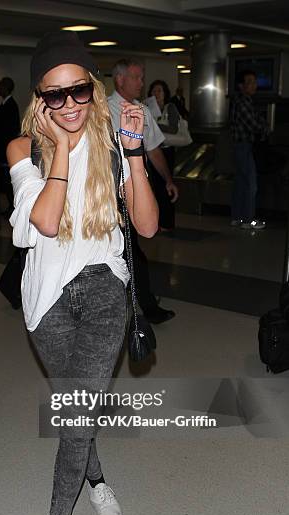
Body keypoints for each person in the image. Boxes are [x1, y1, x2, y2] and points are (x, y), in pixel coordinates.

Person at [7, 31, 158, 515]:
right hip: (46, 301)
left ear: (94, 90)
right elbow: (44, 221)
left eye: (78, 91)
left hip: (102, 293)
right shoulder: (23, 148)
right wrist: (64, 150)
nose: (69, 105)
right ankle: (95, 476)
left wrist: (136, 155)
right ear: (39, 99)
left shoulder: (117, 144)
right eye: (55, 95)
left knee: (75, 414)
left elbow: (145, 226)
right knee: (82, 401)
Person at [108, 58, 177, 324]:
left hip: (136, 189)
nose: (141, 82)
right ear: (120, 79)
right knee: (130, 251)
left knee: (130, 249)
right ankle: (147, 306)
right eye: (136, 77)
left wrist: (168, 180)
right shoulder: (103, 111)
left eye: (142, 76)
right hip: (111, 194)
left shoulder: (143, 111)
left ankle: (143, 303)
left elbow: (154, 148)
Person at [230, 70, 269, 229]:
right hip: (243, 145)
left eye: (255, 81)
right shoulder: (244, 102)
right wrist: (265, 128)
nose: (254, 85)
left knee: (240, 183)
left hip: (239, 146)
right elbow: (254, 125)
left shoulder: (239, 101)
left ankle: (237, 217)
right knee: (250, 184)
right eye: (250, 82)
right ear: (242, 86)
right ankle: (248, 219)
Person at [145, 80, 180, 231]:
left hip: (166, 150)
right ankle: (156, 221)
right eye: (154, 90)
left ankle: (167, 222)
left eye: (159, 91)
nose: (156, 94)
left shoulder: (169, 108)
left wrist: (155, 124)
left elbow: (173, 128)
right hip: (152, 150)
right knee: (154, 187)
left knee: (166, 185)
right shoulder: (147, 107)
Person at [0, 77, 21, 211]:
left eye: (0, 86)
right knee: (5, 181)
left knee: (9, 180)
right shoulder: (3, 105)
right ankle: (10, 205)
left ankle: (13, 206)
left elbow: (9, 129)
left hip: (7, 148)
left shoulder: (11, 105)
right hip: (2, 148)